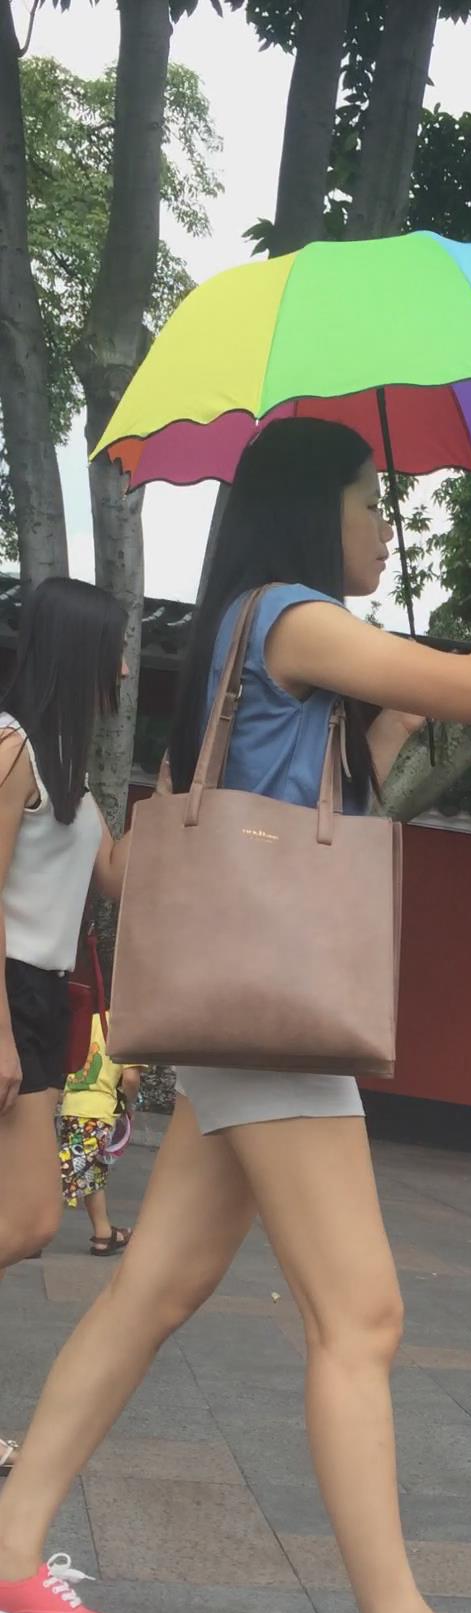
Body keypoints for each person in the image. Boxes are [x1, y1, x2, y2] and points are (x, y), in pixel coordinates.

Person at [0, 419, 471, 1613]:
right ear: (311, 512)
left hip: (243, 1006)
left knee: (156, 1288)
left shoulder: (261, 633)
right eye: (370, 500)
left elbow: (326, 794)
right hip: (273, 1018)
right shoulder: (288, 616)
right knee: (361, 1315)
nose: (383, 524)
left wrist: (387, 718)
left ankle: (9, 1543)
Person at [0, 579, 130, 1476]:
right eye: (114, 650)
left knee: (31, 1219)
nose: (122, 668)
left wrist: (195, 784)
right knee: (30, 1216)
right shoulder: (12, 748)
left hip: (41, 1002)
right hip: (6, 997)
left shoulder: (72, 782)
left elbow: (121, 878)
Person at [57, 1010, 142, 1255]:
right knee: (66, 1174)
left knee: (91, 1173)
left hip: (71, 1105)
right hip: (99, 1111)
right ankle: (30, 1232)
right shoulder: (127, 1023)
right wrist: (129, 1104)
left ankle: (103, 1234)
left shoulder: (82, 1017)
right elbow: (131, 1078)